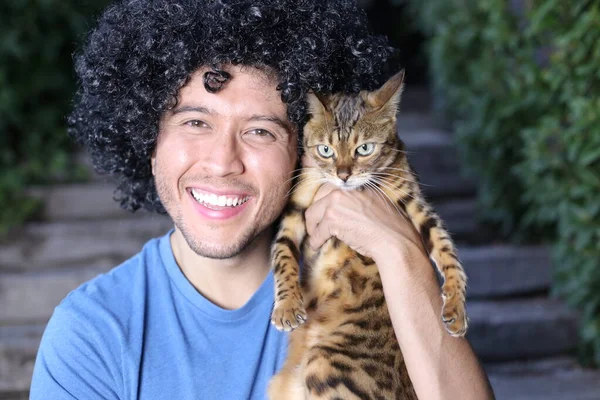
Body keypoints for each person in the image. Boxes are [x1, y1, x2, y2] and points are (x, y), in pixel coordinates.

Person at [30, 0, 495, 399]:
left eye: (260, 131)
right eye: (196, 123)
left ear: (305, 148)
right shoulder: (91, 333)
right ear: (149, 142)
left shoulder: (376, 294)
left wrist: (403, 255)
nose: (223, 161)